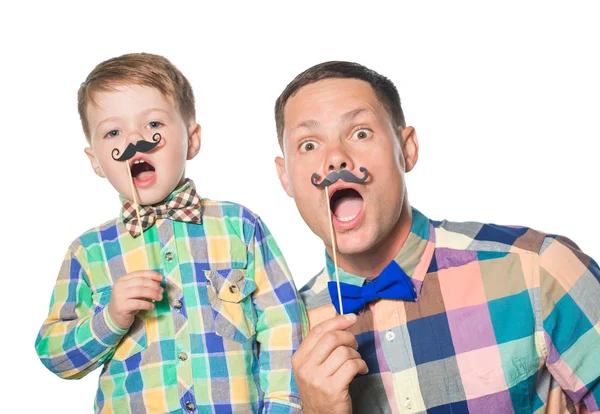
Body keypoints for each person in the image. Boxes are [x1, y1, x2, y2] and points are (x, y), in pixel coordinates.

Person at [274, 61, 600, 413]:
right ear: (286, 178)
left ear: (407, 149)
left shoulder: (539, 268)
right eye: (308, 145)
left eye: (360, 133)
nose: (335, 158)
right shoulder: (282, 330)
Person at [35, 53, 305, 413]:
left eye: (153, 125)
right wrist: (110, 319)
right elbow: (56, 355)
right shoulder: (87, 252)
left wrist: (281, 408)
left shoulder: (239, 226)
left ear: (192, 140)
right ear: (96, 161)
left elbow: (282, 322)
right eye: (113, 132)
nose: (135, 141)